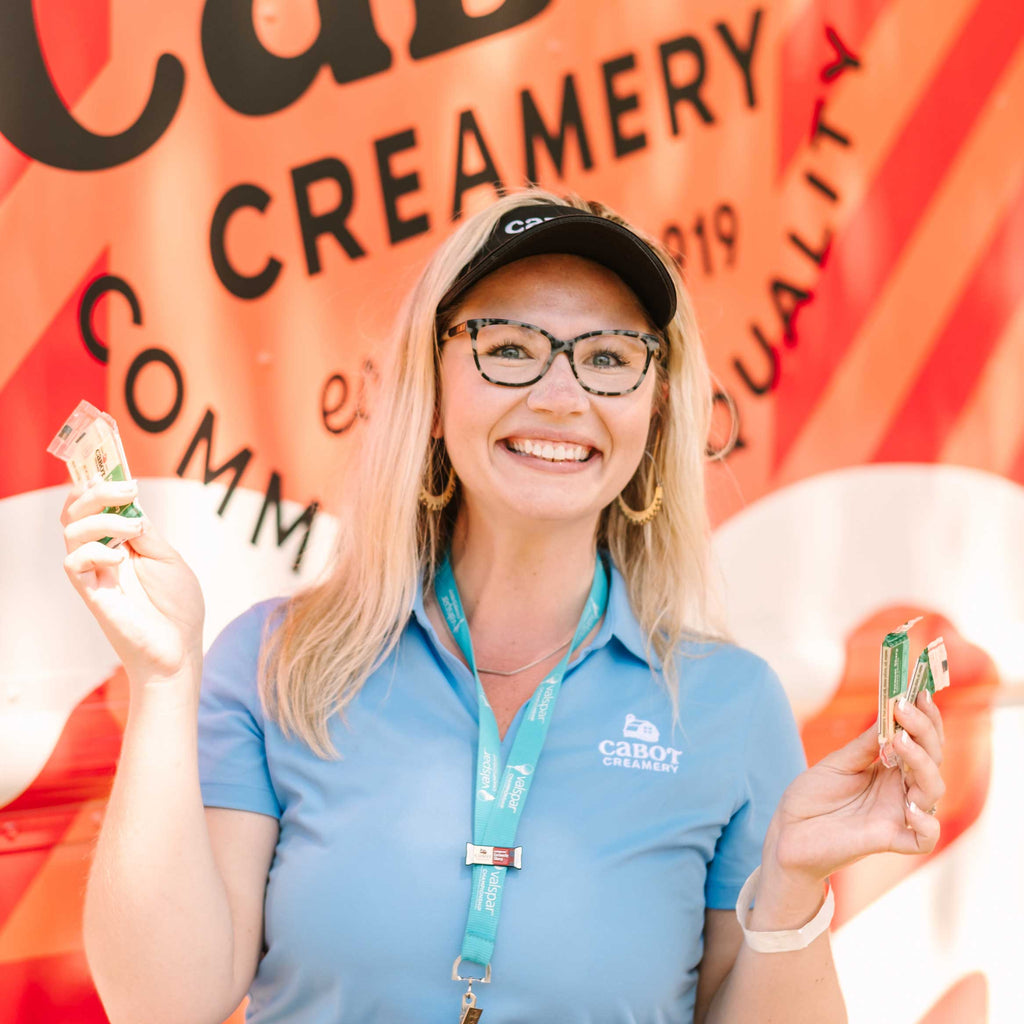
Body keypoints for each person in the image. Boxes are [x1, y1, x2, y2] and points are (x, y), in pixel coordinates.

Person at [61, 189, 945, 1024]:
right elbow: (161, 1003)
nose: (562, 397)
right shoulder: (275, 665)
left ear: (652, 412)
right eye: (511, 347)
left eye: (608, 358)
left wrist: (791, 885)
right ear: (433, 392)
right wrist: (162, 675)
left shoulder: (730, 705)